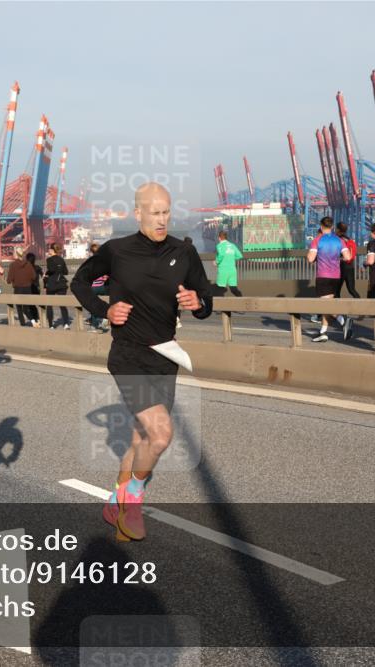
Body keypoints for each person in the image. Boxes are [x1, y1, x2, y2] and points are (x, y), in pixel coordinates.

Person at [72, 182, 213, 542]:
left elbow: (206, 299)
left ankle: (113, 502)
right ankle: (133, 497)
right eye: (154, 212)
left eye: (166, 211)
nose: (162, 219)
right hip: (128, 354)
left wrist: (198, 303)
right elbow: (80, 282)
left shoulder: (183, 253)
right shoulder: (117, 251)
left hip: (165, 356)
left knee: (140, 437)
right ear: (138, 213)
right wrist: (105, 310)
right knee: (162, 433)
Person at [306, 216, 353, 342]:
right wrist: (336, 258)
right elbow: (348, 257)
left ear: (321, 227)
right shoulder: (339, 240)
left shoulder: (317, 240)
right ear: (332, 227)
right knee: (328, 303)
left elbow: (310, 259)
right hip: (336, 276)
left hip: (323, 275)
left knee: (325, 305)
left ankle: (343, 320)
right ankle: (323, 331)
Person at [7, 246, 39, 327]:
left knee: (19, 308)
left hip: (18, 289)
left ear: (16, 254)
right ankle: (33, 321)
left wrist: (10, 280)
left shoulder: (13, 265)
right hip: (28, 289)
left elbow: (9, 280)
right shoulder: (28, 264)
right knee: (26, 307)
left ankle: (23, 324)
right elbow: (34, 277)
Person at [44, 242, 71, 329]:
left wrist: (46, 273)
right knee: (62, 304)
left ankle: (51, 325)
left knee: (49, 304)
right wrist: (59, 270)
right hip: (61, 283)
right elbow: (66, 272)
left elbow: (51, 270)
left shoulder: (49, 259)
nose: (48, 251)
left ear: (52, 250)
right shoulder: (61, 259)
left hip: (52, 283)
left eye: (49, 249)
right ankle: (66, 324)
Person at [334, 222, 361, 299]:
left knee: (336, 291)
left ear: (338, 229)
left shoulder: (337, 239)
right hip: (350, 266)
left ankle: (338, 310)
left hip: (340, 266)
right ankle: (360, 306)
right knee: (352, 290)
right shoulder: (349, 239)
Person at [214, 230, 244, 297]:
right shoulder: (232, 245)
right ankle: (241, 300)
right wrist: (231, 258)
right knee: (233, 289)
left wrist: (216, 262)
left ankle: (219, 306)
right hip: (232, 270)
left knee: (220, 289)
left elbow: (221, 255)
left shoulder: (219, 246)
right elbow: (240, 255)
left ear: (219, 238)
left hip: (223, 270)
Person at [88, 243, 110, 331]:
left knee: (93, 305)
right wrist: (105, 277)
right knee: (105, 304)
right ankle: (105, 318)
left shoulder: (91, 261)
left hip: (93, 287)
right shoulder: (104, 261)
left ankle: (94, 325)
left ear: (91, 252)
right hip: (103, 286)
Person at [26, 252, 43, 325]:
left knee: (30, 305)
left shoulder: (26, 268)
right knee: (35, 305)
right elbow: (43, 275)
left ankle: (34, 319)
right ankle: (38, 319)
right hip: (37, 288)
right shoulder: (37, 267)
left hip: (29, 288)